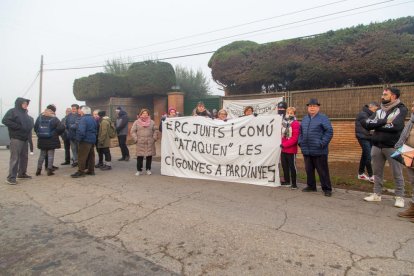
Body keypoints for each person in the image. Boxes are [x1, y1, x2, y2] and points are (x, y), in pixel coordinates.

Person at [362, 87, 408, 208]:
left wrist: (376, 126)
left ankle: (400, 197)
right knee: (377, 172)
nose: (382, 96)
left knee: (397, 172)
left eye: (385, 94)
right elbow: (366, 124)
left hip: (394, 146)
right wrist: (384, 122)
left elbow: (396, 126)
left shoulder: (401, 109)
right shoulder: (378, 111)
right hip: (376, 146)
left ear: (393, 96)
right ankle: (376, 194)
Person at [298, 98, 334, 197]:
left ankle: (327, 188)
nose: (312, 108)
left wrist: (322, 143)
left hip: (319, 150)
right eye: (310, 106)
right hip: (306, 150)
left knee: (322, 171)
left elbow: (329, 131)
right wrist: (300, 142)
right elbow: (300, 132)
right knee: (309, 170)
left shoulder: (323, 118)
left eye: (314, 106)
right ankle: (311, 186)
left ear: (318, 107)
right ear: (308, 108)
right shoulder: (305, 119)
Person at [2, 97, 34, 185]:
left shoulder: (25, 114)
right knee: (15, 158)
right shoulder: (12, 111)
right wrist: (18, 127)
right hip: (16, 138)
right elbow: (5, 120)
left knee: (24, 157)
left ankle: (22, 173)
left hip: (25, 139)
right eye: (24, 103)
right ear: (19, 103)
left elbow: (28, 125)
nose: (26, 105)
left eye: (27, 104)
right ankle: (11, 177)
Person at [394, 101, 414, 222]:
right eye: (412, 105)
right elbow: (405, 134)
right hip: (410, 152)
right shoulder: (412, 120)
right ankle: (413, 208)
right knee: (413, 181)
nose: (412, 108)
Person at [34, 104, 65, 176]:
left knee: (42, 155)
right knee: (50, 155)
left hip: (42, 139)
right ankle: (49, 170)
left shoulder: (39, 118)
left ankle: (38, 170)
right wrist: (55, 133)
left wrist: (39, 134)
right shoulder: (54, 119)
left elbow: (35, 128)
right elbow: (61, 127)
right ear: (52, 112)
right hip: (52, 139)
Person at [355, 102, 380, 182]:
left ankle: (361, 174)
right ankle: (371, 176)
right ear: (370, 107)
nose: (376, 111)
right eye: (375, 109)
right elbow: (368, 125)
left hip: (369, 137)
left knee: (365, 155)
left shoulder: (370, 114)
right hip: (363, 137)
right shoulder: (363, 114)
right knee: (369, 156)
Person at [71, 106, 97, 178]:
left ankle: (81, 171)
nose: (80, 112)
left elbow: (81, 131)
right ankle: (91, 170)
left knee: (82, 156)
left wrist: (78, 139)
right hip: (92, 140)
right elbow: (96, 128)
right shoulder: (93, 118)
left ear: (83, 112)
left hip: (85, 140)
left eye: (81, 111)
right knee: (91, 156)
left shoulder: (83, 119)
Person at [131, 109, 158, 176]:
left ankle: (148, 169)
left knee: (149, 156)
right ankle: (139, 170)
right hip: (140, 141)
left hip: (149, 141)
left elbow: (156, 130)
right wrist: (136, 139)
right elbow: (132, 131)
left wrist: (154, 138)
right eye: (143, 113)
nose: (145, 114)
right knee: (140, 157)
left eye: (146, 113)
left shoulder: (152, 122)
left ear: (148, 114)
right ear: (141, 114)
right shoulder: (137, 122)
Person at [281, 107, 300, 190]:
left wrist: (285, 144)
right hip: (282, 149)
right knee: (284, 166)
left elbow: (295, 138)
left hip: (291, 149)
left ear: (294, 114)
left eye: (291, 113)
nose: (289, 114)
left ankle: (294, 183)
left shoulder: (295, 123)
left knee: (292, 166)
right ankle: (287, 181)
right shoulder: (283, 123)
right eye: (288, 112)